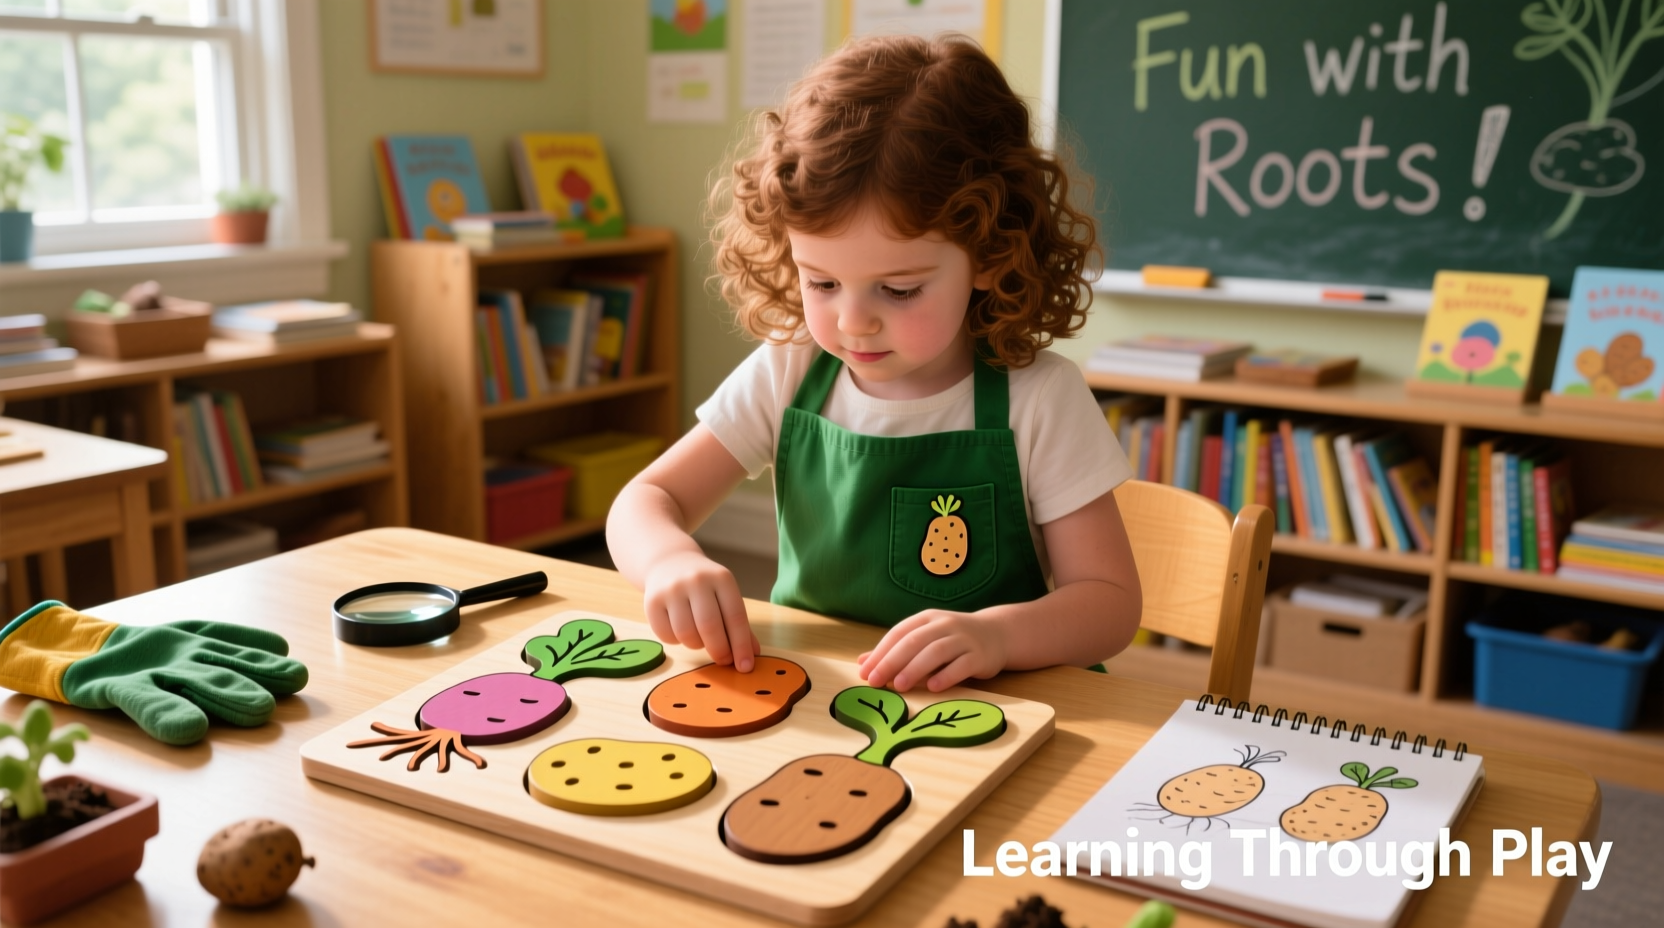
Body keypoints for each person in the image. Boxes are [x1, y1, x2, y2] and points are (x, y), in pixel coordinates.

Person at [608, 33, 1141, 693]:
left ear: (990, 254)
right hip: (817, 698)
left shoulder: (1040, 397)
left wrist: (998, 635)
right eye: (821, 283)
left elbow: (1110, 603)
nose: (850, 321)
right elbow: (645, 499)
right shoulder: (790, 371)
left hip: (995, 707)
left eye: (899, 289)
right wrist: (667, 560)